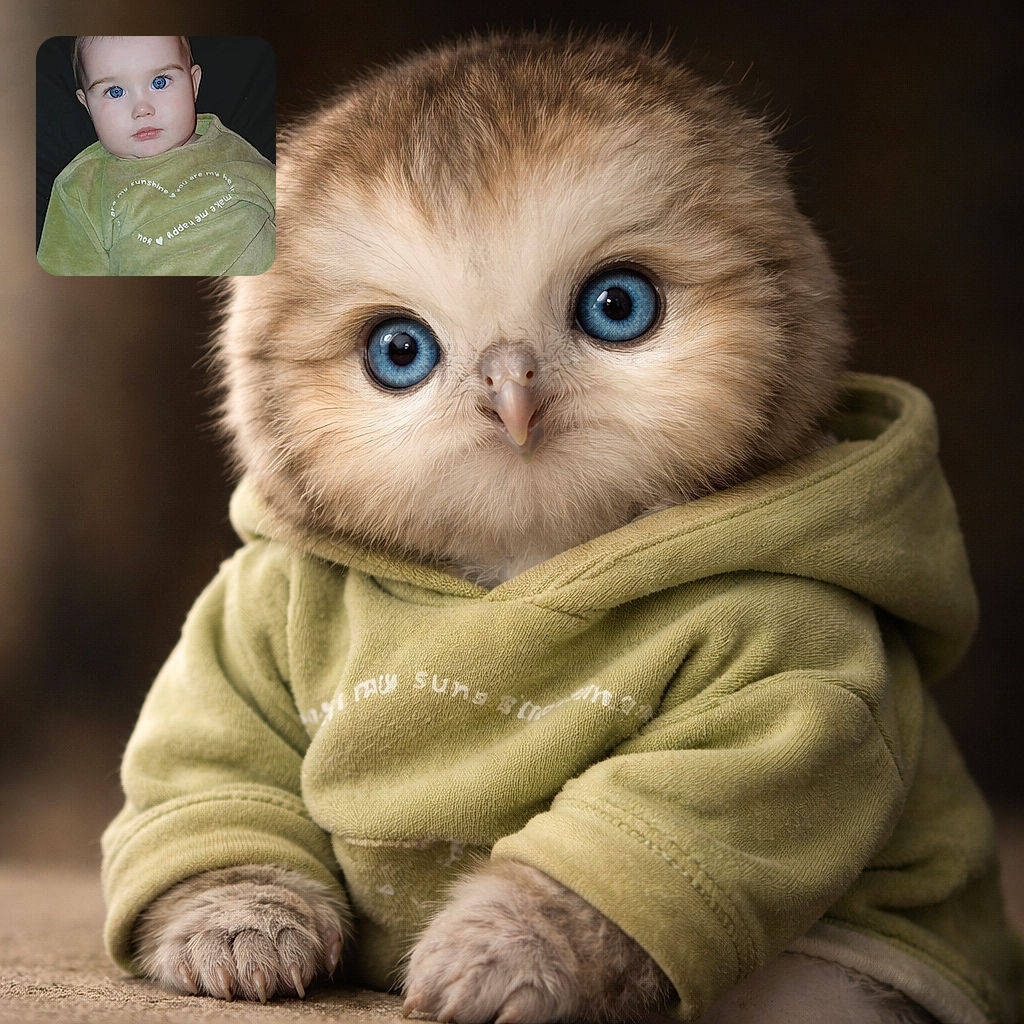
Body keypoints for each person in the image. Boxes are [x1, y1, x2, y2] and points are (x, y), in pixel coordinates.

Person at [37, 35, 275, 276]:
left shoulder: (229, 147)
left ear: (193, 84)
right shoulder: (80, 187)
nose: (142, 109)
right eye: (115, 91)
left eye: (160, 82)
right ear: (87, 105)